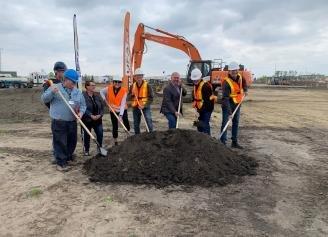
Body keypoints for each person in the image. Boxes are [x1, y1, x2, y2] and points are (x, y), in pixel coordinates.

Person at [41, 69, 86, 171]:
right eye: (73, 82)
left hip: (72, 121)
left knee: (72, 141)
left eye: (75, 82)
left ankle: (68, 156)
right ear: (65, 80)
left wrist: (81, 113)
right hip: (59, 121)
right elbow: (44, 99)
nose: (74, 84)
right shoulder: (55, 88)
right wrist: (52, 92)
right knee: (60, 142)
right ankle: (61, 163)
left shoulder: (77, 92)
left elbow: (83, 105)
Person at [220, 61, 248, 149]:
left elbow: (244, 83)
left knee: (235, 122)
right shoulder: (226, 82)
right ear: (229, 71)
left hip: (237, 103)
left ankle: (234, 142)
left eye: (235, 70)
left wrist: (245, 90)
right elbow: (225, 99)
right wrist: (229, 113)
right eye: (232, 71)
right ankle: (222, 143)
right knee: (225, 123)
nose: (234, 72)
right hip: (228, 104)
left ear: (237, 70)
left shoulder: (240, 77)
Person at [100, 76, 130, 145]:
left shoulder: (124, 91)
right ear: (113, 82)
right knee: (115, 125)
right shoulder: (108, 88)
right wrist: (104, 99)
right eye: (115, 82)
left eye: (119, 82)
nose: (117, 83)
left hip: (122, 109)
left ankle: (128, 135)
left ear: (121, 83)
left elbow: (122, 104)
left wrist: (121, 115)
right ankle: (115, 140)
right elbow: (101, 92)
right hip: (113, 110)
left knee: (126, 122)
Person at [191, 68, 216, 135]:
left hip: (207, 108)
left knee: (205, 125)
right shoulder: (195, 86)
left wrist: (200, 112)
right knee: (199, 125)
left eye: (197, 79)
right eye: (194, 79)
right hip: (200, 108)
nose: (195, 80)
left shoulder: (205, 86)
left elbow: (208, 102)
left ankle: (208, 140)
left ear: (200, 77)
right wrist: (197, 110)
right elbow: (195, 98)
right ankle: (200, 139)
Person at [82, 81, 104, 155]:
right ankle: (86, 150)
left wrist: (100, 115)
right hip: (87, 119)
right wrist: (90, 115)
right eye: (92, 85)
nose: (94, 86)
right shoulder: (83, 96)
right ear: (87, 87)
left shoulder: (97, 96)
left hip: (98, 119)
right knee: (87, 135)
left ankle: (99, 148)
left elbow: (102, 107)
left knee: (100, 133)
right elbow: (83, 108)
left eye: (95, 85)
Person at [130, 68, 154, 134]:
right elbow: (129, 97)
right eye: (137, 76)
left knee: (148, 120)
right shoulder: (132, 86)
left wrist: (144, 105)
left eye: (140, 76)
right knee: (136, 123)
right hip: (135, 107)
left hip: (145, 106)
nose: (138, 77)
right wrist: (131, 95)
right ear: (134, 77)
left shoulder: (147, 85)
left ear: (142, 76)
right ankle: (137, 137)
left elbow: (151, 98)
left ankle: (150, 135)